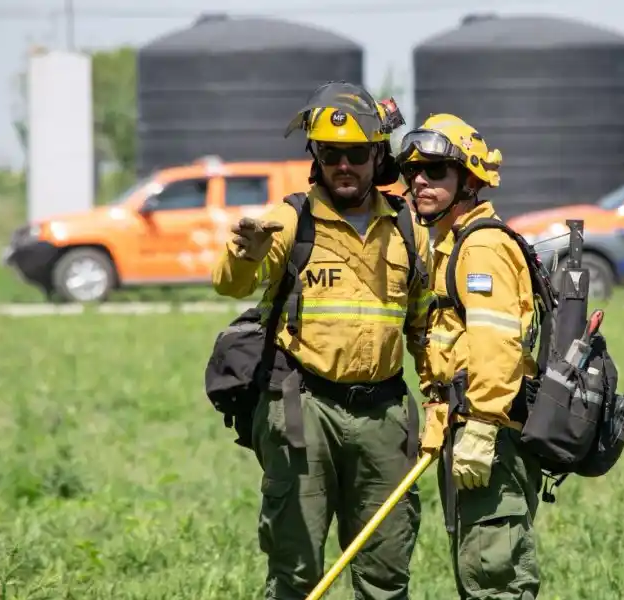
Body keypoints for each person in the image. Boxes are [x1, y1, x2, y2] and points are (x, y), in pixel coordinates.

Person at [211, 81, 433, 600]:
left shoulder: (406, 227)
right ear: (315, 156)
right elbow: (231, 283)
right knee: (295, 573)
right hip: (303, 411)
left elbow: (426, 328)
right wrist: (245, 252)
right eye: (330, 154)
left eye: (355, 154)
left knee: (385, 576)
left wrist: (442, 400)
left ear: (377, 155)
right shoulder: (290, 220)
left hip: (384, 417)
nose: (343, 166)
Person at [397, 114, 545, 600]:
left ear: (469, 181)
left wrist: (479, 427)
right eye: (414, 171)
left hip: (490, 435)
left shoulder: (480, 248)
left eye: (436, 171)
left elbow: (497, 343)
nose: (420, 180)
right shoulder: (451, 242)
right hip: (465, 427)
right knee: (476, 570)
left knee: (494, 577)